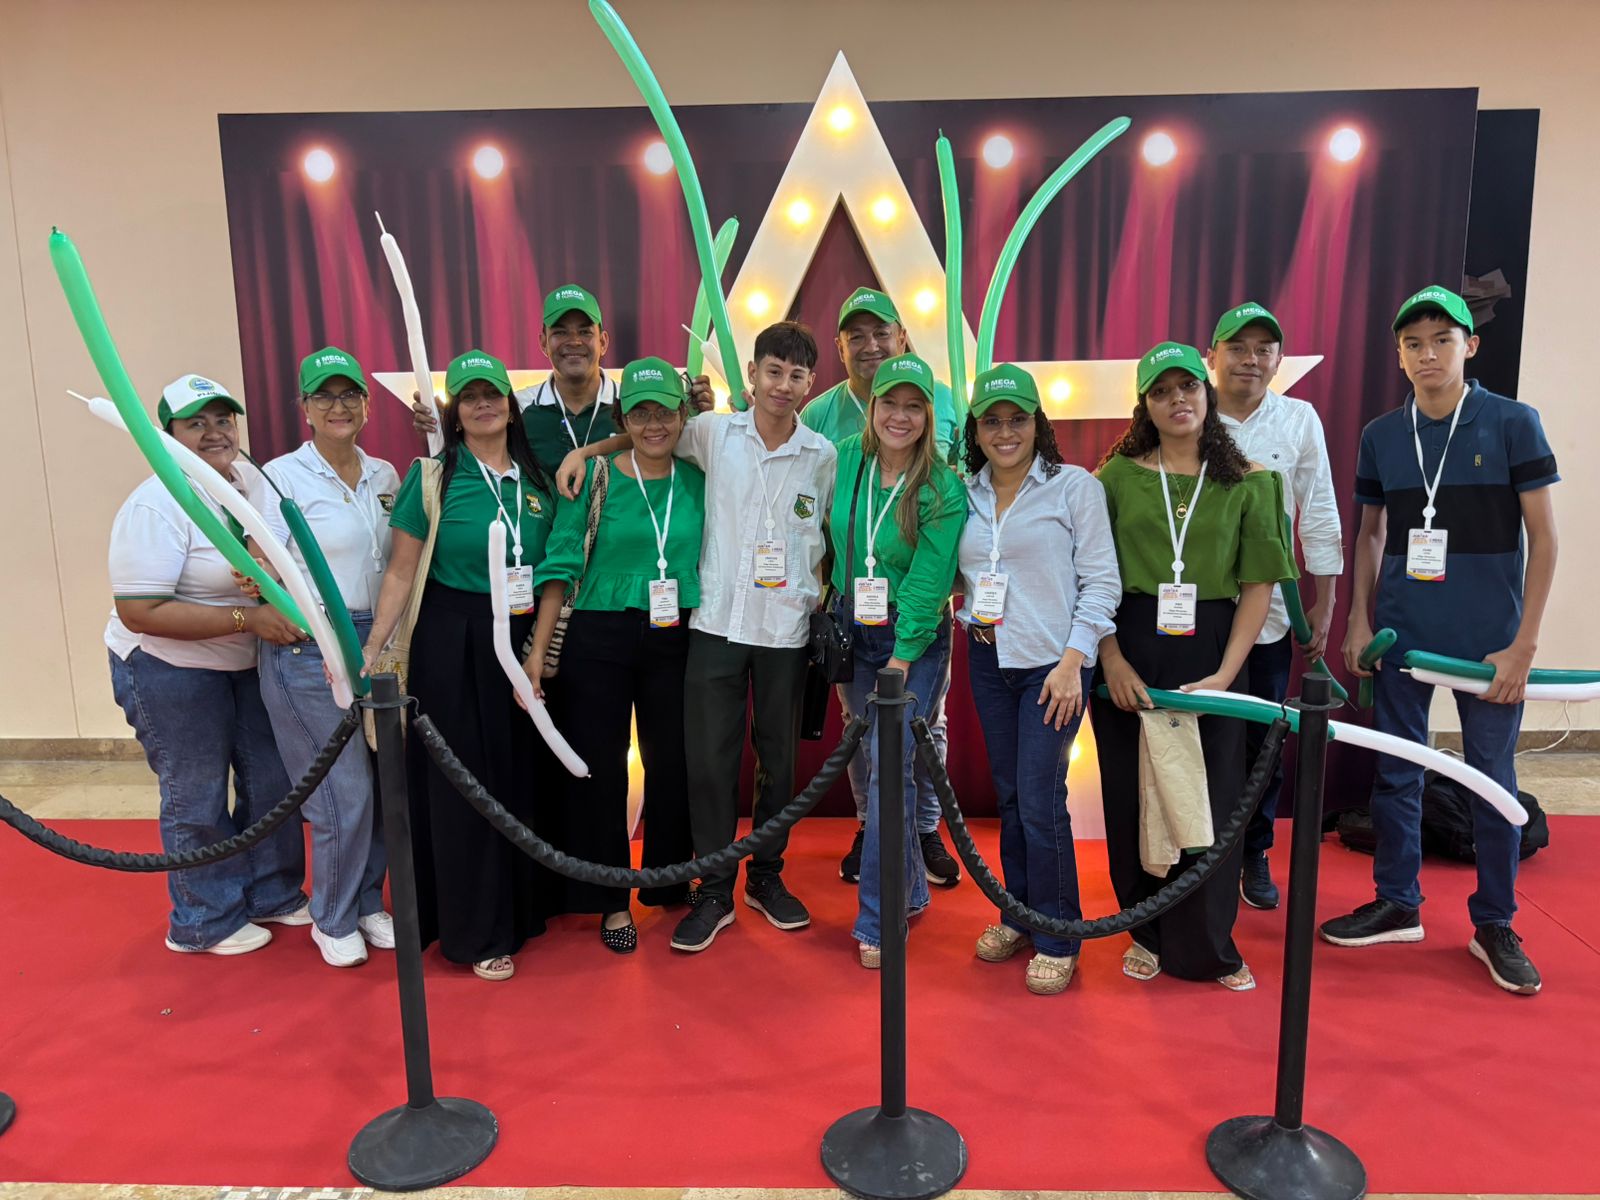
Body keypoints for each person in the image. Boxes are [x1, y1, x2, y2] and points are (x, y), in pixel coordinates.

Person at [1324, 285, 1558, 997]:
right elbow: (1369, 535)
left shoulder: (1514, 423)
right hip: (1405, 639)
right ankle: (1398, 902)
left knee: (1491, 782)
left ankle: (1495, 922)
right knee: (1397, 775)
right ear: (1399, 356)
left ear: (1470, 346)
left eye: (1442, 340)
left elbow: (1545, 539)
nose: (1427, 354)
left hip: (1490, 649)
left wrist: (1523, 646)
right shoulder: (1382, 436)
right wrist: (1359, 621)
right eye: (1413, 344)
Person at [1091, 342, 1296, 991]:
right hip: (1128, 645)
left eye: (1187, 387)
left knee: (1213, 800)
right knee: (1135, 794)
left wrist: (1227, 674)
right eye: (1161, 391)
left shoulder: (1252, 482)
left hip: (1212, 649)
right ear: (1144, 406)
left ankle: (1207, 945)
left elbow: (1257, 587)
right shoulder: (1114, 480)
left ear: (1206, 394)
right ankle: (1145, 933)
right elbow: (1090, 578)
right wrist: (1111, 659)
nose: (1177, 400)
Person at [365, 349, 559, 982]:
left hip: (521, 641)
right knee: (462, 787)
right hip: (453, 642)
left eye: (492, 394)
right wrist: (375, 647)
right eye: (469, 396)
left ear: (510, 404)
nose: (482, 405)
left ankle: (520, 911)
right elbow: (401, 571)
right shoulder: (433, 477)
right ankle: (476, 930)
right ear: (455, 411)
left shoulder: (537, 480)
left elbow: (555, 568)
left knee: (516, 778)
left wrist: (539, 650)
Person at [105, 375, 309, 955]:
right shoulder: (155, 503)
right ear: (168, 435)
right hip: (169, 666)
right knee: (196, 792)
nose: (215, 433)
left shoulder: (251, 482)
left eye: (223, 420)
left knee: (271, 780)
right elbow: (141, 610)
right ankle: (203, 918)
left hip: (247, 661)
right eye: (196, 423)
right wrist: (248, 619)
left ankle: (272, 892)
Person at [527, 358, 706, 953]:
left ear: (682, 415)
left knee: (672, 760)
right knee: (600, 767)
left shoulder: (699, 478)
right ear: (623, 419)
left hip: (676, 633)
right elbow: (560, 564)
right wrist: (536, 654)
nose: (654, 424)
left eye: (665, 411)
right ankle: (609, 899)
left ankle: (668, 880)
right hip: (597, 635)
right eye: (640, 412)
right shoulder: (594, 476)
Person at [955, 364, 1121, 994]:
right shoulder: (964, 493)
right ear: (976, 430)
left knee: (1040, 796)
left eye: (1017, 419)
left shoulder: (1073, 487)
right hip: (987, 660)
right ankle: (1018, 914)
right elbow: (957, 574)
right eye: (992, 421)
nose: (1005, 432)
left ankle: (1058, 935)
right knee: (1010, 797)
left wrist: (1074, 662)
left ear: (1037, 423)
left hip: (1053, 667)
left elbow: (1101, 582)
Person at [799, 286, 963, 890]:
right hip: (851, 615)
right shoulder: (829, 432)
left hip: (916, 611)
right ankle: (875, 830)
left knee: (922, 731)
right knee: (862, 732)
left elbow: (962, 487)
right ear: (840, 347)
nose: (900, 415)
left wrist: (907, 644)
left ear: (901, 337)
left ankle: (922, 830)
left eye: (881, 332)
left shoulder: (945, 418)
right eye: (856, 335)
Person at [258, 347, 400, 968]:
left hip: (380, 642)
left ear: (366, 405)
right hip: (310, 645)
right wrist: (296, 617)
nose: (338, 406)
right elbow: (263, 563)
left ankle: (366, 901)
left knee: (383, 785)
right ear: (305, 408)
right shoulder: (281, 477)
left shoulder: (386, 474)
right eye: (324, 396)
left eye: (349, 395)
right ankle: (333, 916)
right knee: (344, 791)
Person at [825, 353, 966, 968]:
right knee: (879, 761)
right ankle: (909, 889)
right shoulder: (846, 460)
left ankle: (878, 920)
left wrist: (903, 658)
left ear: (929, 414)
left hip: (914, 639)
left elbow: (930, 583)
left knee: (889, 767)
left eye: (914, 406)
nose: (900, 416)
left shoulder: (942, 486)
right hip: (853, 629)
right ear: (873, 406)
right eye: (890, 403)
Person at [1206, 303, 1344, 910]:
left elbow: (1319, 508)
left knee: (1264, 739)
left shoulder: (1299, 419)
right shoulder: (1188, 413)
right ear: (1211, 356)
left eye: (1264, 349)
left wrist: (1326, 601)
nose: (1251, 359)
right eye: (1238, 347)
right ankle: (1203, 854)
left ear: (1279, 359)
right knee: (1204, 735)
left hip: (1271, 617)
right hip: (1197, 612)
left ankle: (1253, 851)